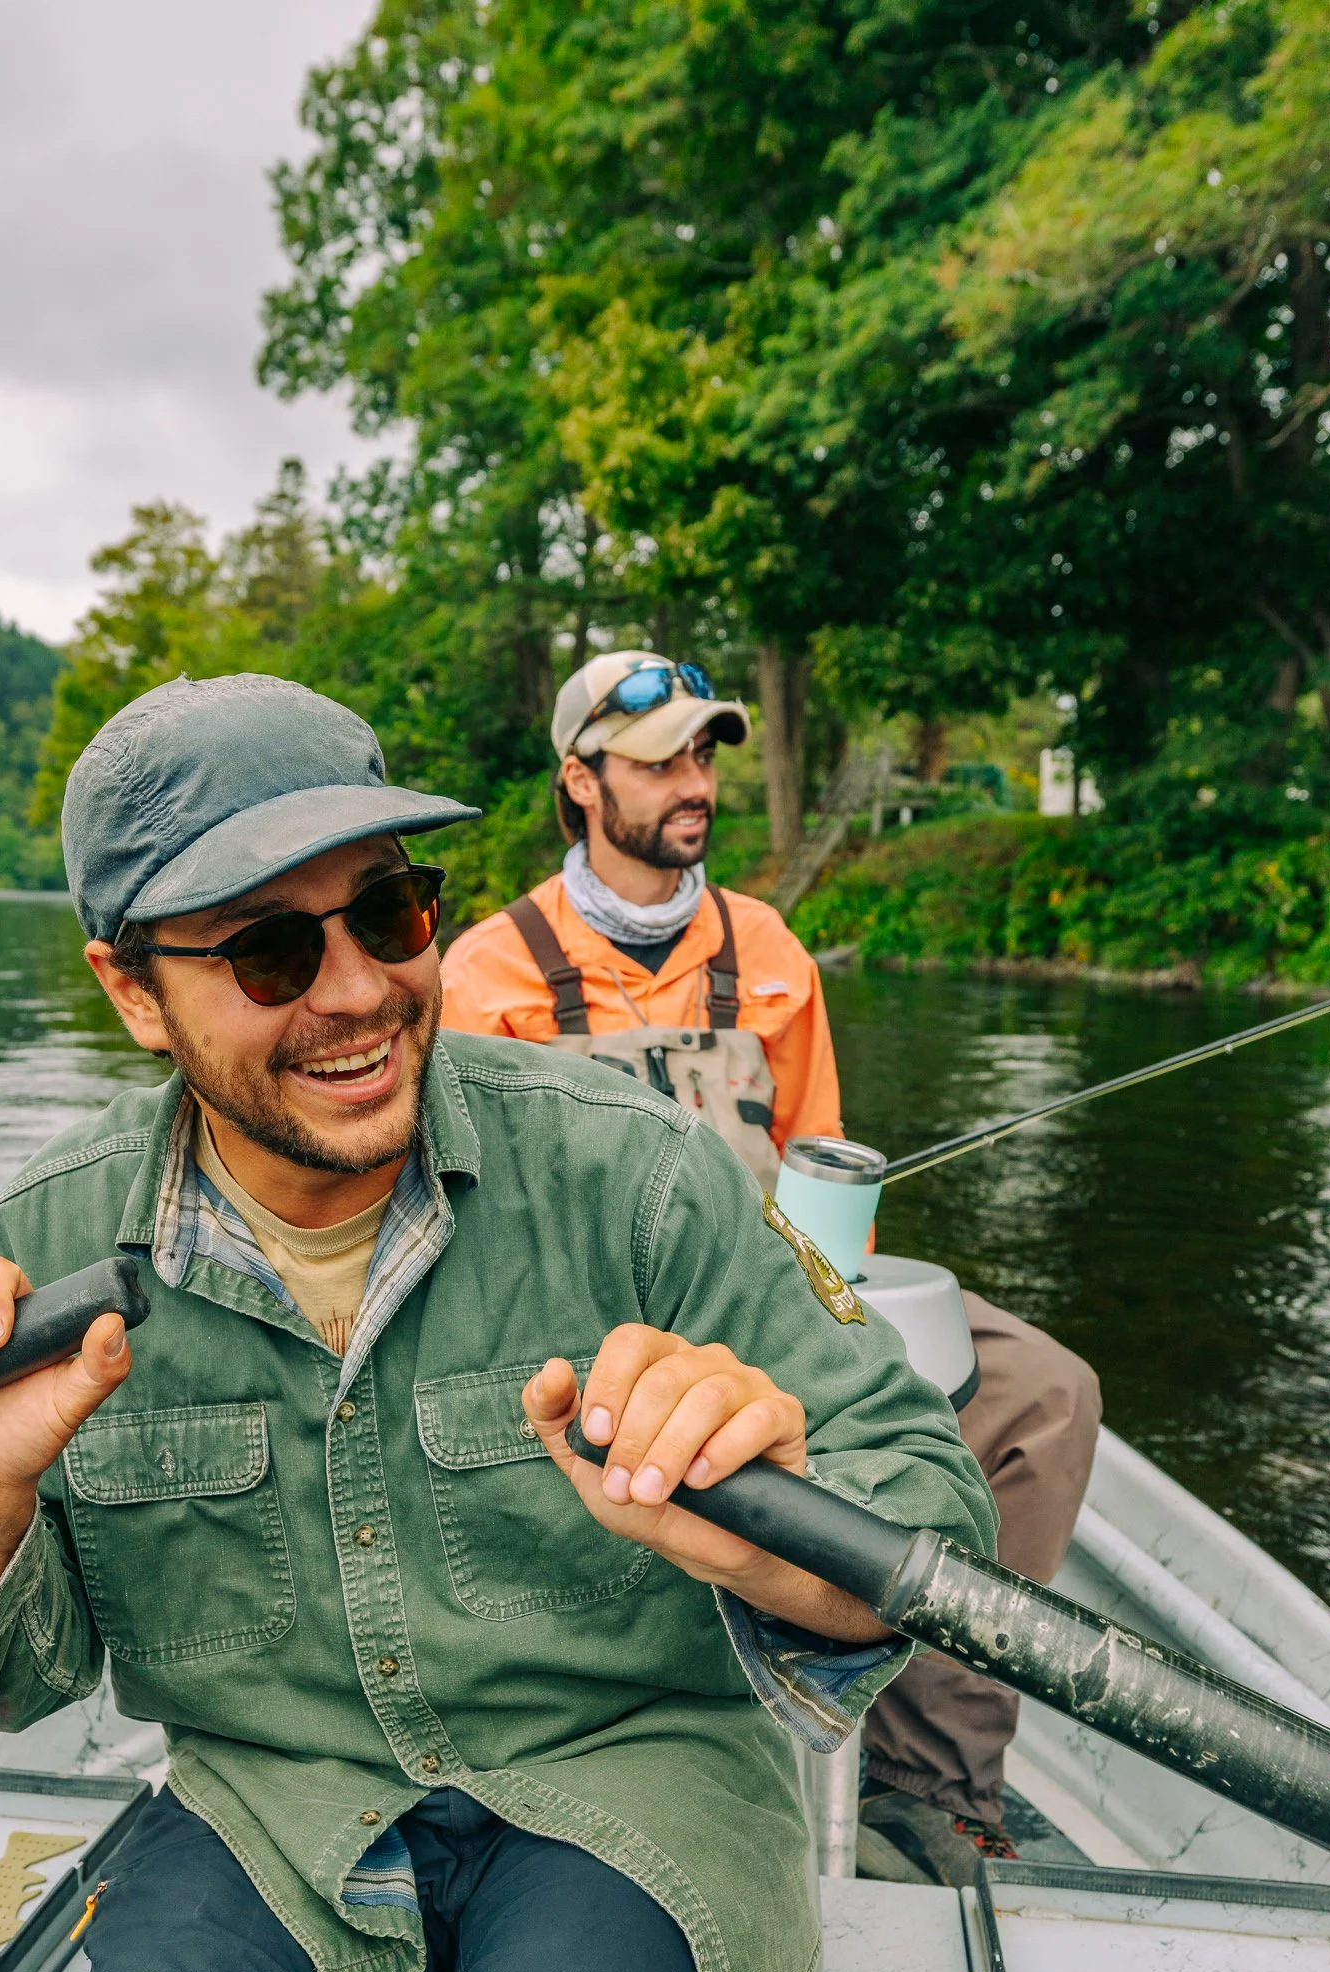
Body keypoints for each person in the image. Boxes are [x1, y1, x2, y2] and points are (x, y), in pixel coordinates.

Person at [0, 672, 995, 1972]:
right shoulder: (44, 1249)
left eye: (387, 913)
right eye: (267, 949)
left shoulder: (640, 1176)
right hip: (265, 1812)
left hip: (618, 1798)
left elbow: (926, 1514)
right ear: (132, 991)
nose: (358, 990)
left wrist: (764, 1527)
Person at [441, 651, 1102, 1883]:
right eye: (660, 762)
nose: (694, 783)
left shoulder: (770, 949)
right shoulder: (481, 975)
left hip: (769, 1289)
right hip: (580, 1331)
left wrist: (828, 1289)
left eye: (703, 756)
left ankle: (927, 1778)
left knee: (1041, 1394)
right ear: (580, 780)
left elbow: (816, 1173)